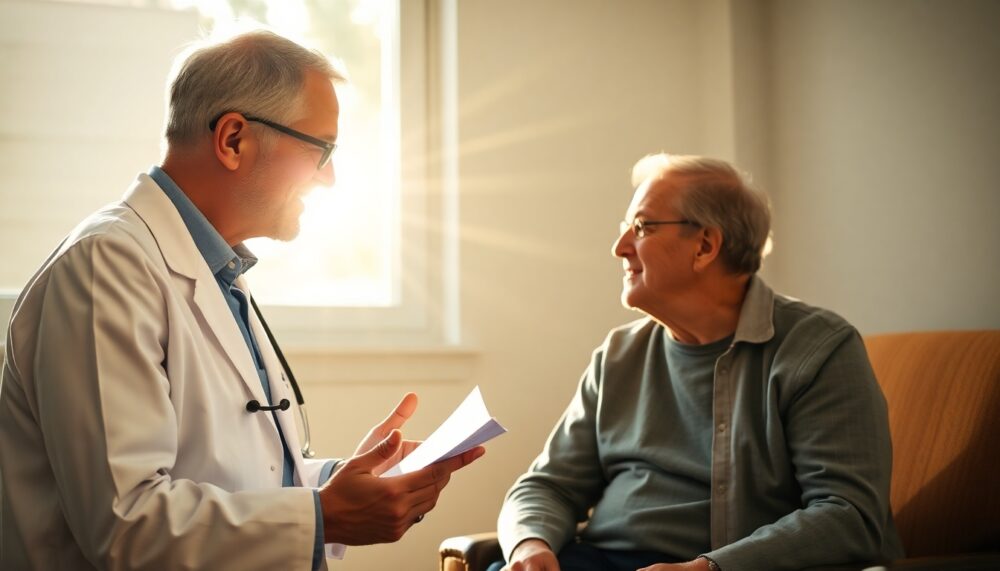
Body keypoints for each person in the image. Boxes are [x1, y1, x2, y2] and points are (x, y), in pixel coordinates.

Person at [0, 30, 483, 570]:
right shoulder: (104, 268)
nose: (331, 178)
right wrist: (327, 515)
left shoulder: (215, 267)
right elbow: (126, 525)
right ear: (233, 139)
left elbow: (233, 474)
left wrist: (343, 481)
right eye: (321, 150)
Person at [491, 154, 903, 571]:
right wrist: (530, 545)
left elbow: (849, 516)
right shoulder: (617, 355)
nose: (620, 248)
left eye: (641, 228)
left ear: (705, 245)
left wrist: (708, 569)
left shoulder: (817, 348)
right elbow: (548, 486)